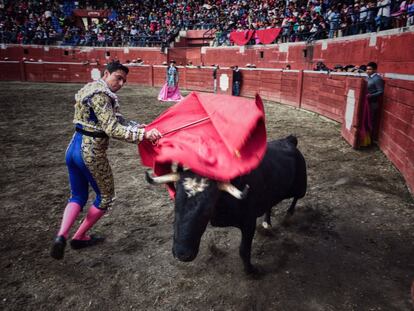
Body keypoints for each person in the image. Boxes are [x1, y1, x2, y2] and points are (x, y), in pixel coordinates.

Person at [50, 60, 162, 260]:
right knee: (106, 197)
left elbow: (115, 119)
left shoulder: (91, 89)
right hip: (91, 153)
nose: (120, 83)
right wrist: (143, 135)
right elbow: (112, 129)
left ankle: (61, 235)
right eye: (118, 77)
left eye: (124, 81)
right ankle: (79, 235)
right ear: (105, 73)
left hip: (73, 148)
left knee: (77, 196)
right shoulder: (102, 95)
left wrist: (138, 126)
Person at [365, 61, 384, 143]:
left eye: (370, 69)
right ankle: (366, 139)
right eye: (367, 69)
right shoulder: (368, 77)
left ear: (375, 70)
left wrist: (371, 95)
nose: (367, 71)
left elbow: (381, 91)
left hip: (373, 102)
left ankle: (370, 140)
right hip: (367, 102)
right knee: (367, 120)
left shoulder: (377, 79)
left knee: (371, 120)